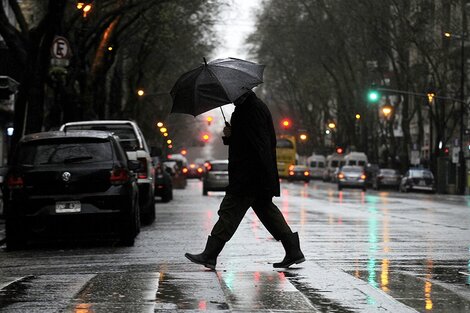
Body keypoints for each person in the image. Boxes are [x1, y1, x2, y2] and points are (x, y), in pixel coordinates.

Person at [185, 89, 305, 270]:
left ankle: (210, 254)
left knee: (228, 212)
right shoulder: (248, 108)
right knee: (268, 213)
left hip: (249, 175)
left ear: (241, 92)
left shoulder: (251, 109)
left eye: (232, 94)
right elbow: (248, 140)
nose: (230, 98)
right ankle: (293, 250)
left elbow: (258, 144)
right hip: (255, 174)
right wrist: (230, 137)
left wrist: (254, 172)